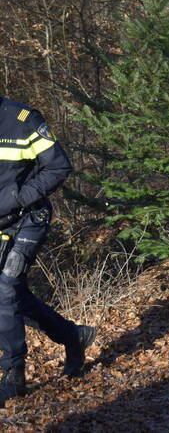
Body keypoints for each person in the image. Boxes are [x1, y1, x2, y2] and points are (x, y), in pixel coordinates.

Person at [0, 97, 96, 406]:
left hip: (29, 218)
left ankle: (13, 377)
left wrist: (16, 198)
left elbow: (58, 166)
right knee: (13, 296)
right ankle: (73, 336)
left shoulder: (22, 119)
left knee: (5, 289)